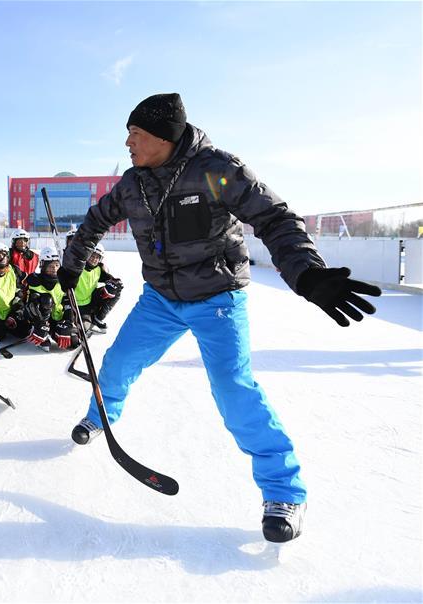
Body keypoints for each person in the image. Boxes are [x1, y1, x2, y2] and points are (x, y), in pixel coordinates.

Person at [57, 93, 382, 544]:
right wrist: (72, 265)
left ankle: (284, 491)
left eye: (135, 133)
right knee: (117, 363)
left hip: (218, 298)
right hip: (160, 300)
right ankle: (101, 417)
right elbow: (93, 222)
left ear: (163, 136)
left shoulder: (217, 169)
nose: (127, 142)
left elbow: (275, 218)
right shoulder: (132, 183)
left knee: (233, 389)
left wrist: (306, 272)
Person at [21, 246, 79, 351]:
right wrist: (40, 324)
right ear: (43, 266)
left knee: (73, 342)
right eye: (50, 266)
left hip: (57, 318)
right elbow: (31, 304)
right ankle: (40, 332)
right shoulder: (36, 280)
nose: (54, 269)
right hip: (39, 320)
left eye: (57, 265)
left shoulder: (63, 282)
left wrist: (68, 322)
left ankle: (54, 332)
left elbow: (68, 303)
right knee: (47, 299)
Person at [72, 243, 123, 333]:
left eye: (97, 257)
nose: (94, 259)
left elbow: (110, 279)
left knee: (115, 288)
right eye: (92, 255)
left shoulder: (98, 269)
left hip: (89, 304)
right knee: (75, 336)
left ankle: (97, 318)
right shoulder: (78, 266)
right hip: (73, 304)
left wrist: (117, 282)